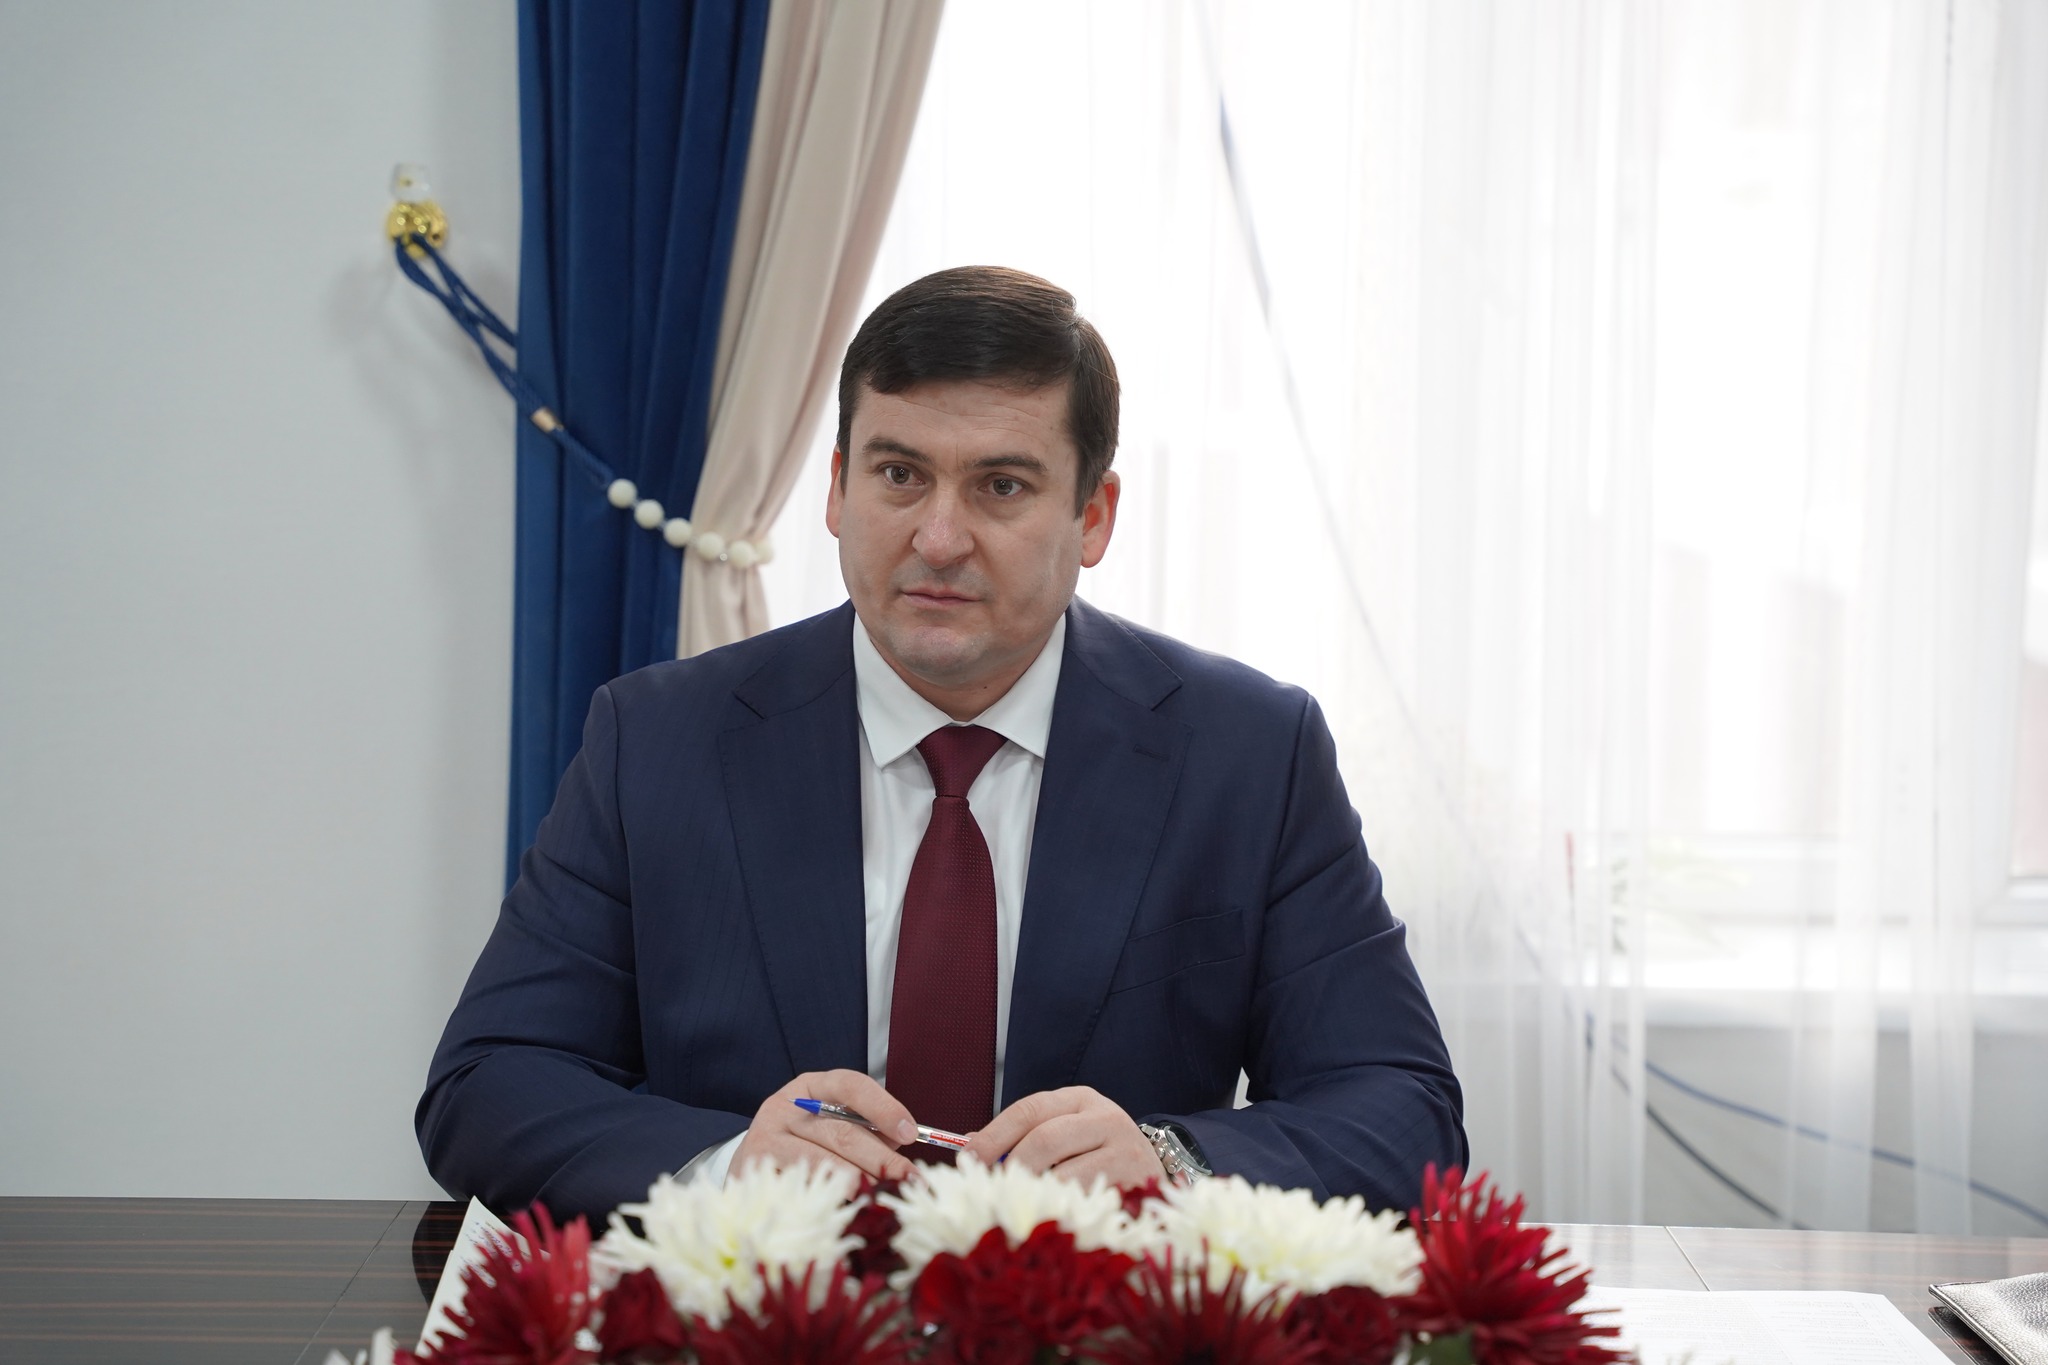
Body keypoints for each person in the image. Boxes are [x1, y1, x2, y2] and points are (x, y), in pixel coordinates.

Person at [418, 266, 1466, 1225]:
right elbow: (488, 1084)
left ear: (1093, 516)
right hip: (761, 1316)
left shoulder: (1248, 753)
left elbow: (1400, 1107)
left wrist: (1171, 1162)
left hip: (1097, 1321)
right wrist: (728, 1164)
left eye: (1001, 486)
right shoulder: (656, 740)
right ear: (837, 490)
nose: (938, 538)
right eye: (899, 474)